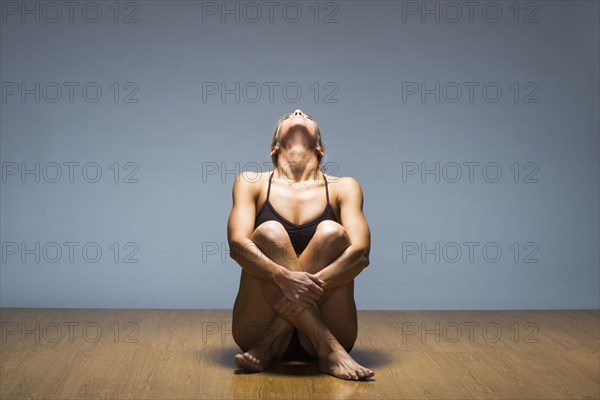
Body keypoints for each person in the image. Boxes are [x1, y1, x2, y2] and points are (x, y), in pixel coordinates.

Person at [227, 109, 374, 381]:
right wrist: (283, 277)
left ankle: (276, 341)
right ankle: (328, 350)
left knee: (332, 233)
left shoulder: (345, 186)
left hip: (333, 326)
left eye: (307, 116)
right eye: (288, 117)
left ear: (318, 147)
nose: (297, 111)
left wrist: (303, 287)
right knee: (269, 233)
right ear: (275, 147)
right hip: (255, 327)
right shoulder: (251, 182)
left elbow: (361, 254)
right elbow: (237, 245)